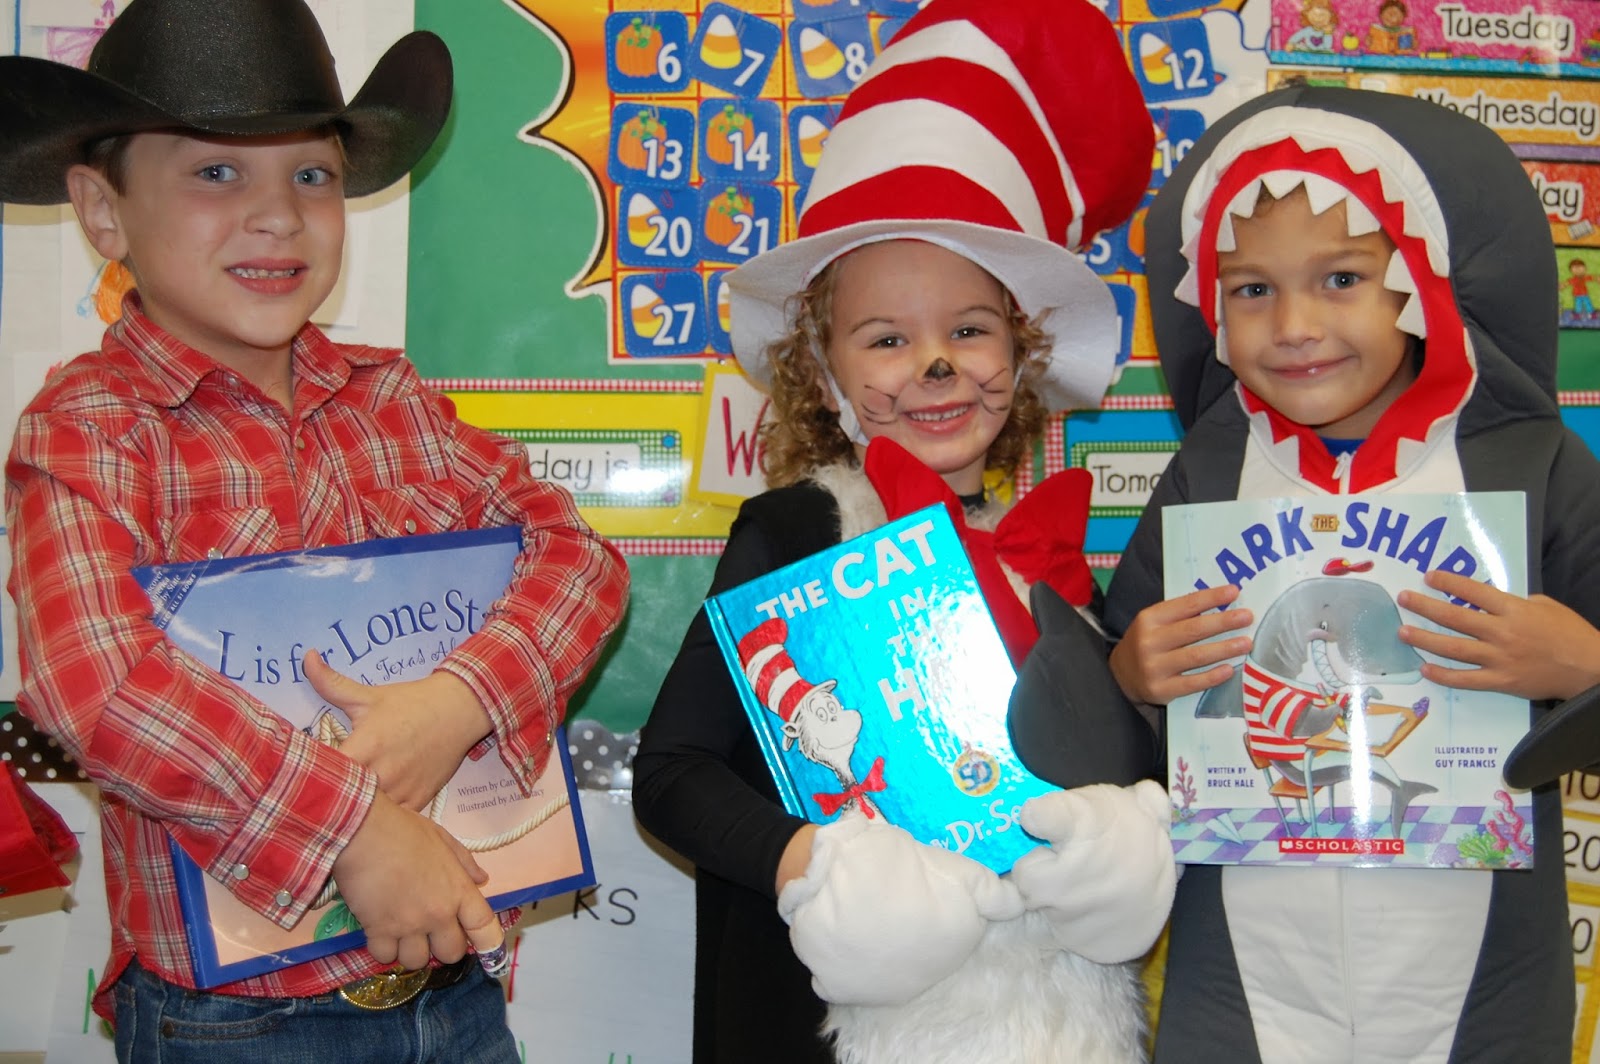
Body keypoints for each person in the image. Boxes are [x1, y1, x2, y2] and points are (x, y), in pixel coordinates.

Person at [0, 1, 628, 1060]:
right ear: (103, 213)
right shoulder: (91, 428)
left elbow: (579, 559)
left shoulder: (395, 402)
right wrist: (354, 828)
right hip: (239, 1023)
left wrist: (458, 701)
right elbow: (95, 685)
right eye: (215, 172)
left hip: (456, 990)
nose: (278, 216)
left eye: (312, 175)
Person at [632, 1, 1175, 1061]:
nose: (934, 365)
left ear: (1018, 354)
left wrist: (1122, 837)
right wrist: (816, 866)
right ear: (825, 372)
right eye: (886, 339)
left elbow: (1116, 765)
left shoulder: (1050, 558)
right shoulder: (798, 531)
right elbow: (674, 772)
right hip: (836, 1028)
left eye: (967, 329)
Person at [1107, 84, 1600, 1063]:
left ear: (1420, 281)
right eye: (1251, 288)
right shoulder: (1210, 468)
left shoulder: (1528, 460)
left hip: (1482, 973)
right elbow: (1116, 711)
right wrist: (1130, 675)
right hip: (1245, 970)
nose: (1293, 324)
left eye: (1340, 278)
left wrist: (1583, 661)